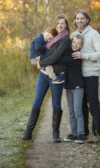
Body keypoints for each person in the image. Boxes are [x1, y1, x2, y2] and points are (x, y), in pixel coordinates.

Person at [22, 14, 71, 143]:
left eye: (63, 23)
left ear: (66, 25)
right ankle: (28, 132)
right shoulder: (51, 38)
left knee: (56, 103)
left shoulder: (65, 39)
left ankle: (56, 133)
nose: (60, 25)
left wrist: (41, 61)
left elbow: (56, 56)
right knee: (37, 102)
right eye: (58, 23)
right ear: (55, 24)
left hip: (57, 74)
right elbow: (38, 48)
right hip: (43, 75)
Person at [71, 10, 100, 143]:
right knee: (82, 105)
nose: (80, 21)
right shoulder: (73, 35)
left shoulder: (94, 34)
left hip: (91, 74)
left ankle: (97, 133)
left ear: (87, 20)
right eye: (77, 18)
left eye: (82, 18)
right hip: (78, 76)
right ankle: (83, 132)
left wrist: (84, 56)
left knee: (93, 104)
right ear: (75, 20)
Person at [54, 34, 85, 143]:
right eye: (74, 42)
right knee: (71, 112)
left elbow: (60, 60)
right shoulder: (69, 54)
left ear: (81, 45)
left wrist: (54, 56)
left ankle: (81, 135)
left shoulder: (76, 55)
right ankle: (74, 133)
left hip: (77, 87)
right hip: (69, 87)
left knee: (77, 111)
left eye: (78, 43)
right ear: (71, 43)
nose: (75, 45)